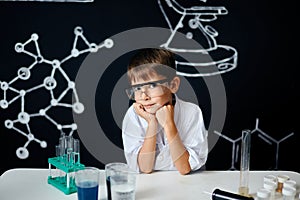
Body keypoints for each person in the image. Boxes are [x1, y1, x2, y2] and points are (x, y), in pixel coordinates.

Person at [122, 48, 208, 175]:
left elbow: (185, 168)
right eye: (138, 88)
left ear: (173, 85)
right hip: (150, 184)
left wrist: (169, 125)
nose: (144, 96)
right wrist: (152, 123)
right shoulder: (133, 116)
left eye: (152, 86)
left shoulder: (192, 113)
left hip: (188, 183)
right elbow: (145, 168)